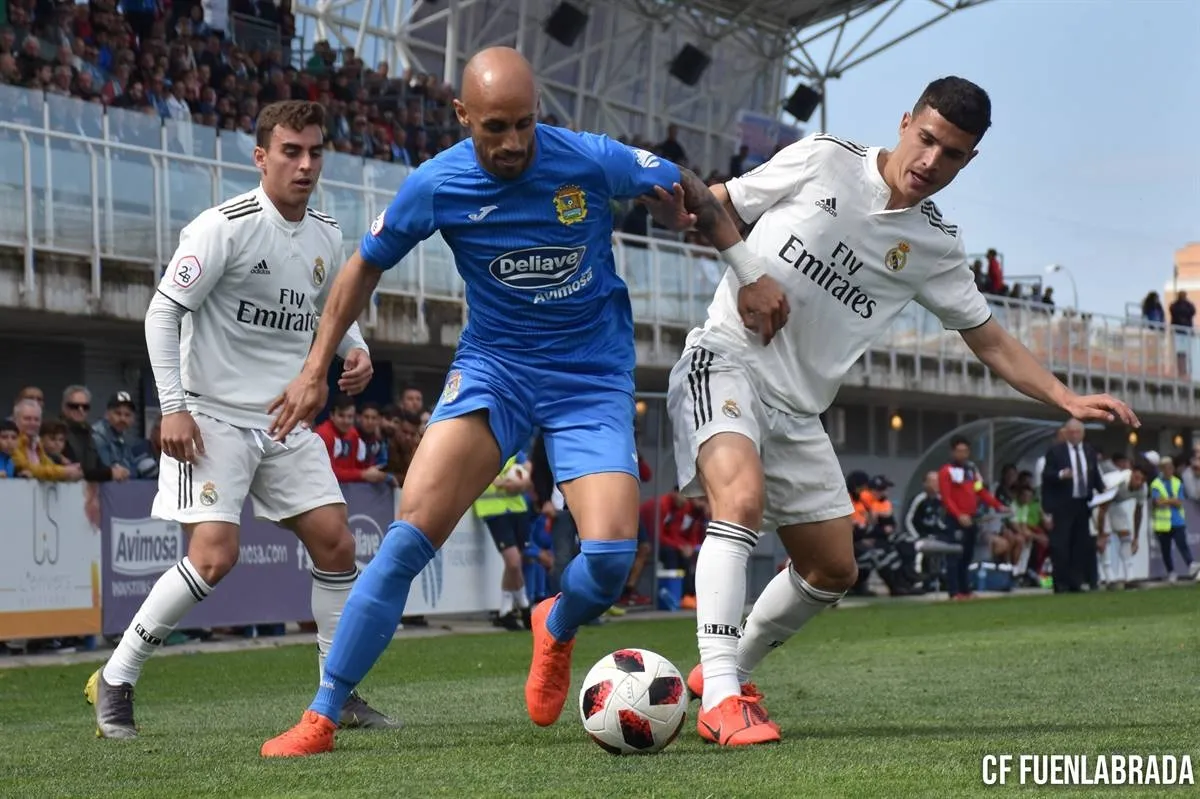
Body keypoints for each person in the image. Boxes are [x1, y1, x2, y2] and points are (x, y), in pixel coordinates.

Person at [259, 46, 788, 757]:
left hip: (590, 376)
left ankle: (557, 623)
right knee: (407, 537)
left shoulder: (588, 159)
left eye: (525, 125)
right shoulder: (436, 183)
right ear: (462, 117)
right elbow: (361, 268)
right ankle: (321, 715)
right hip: (495, 371)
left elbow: (689, 181)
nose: (512, 143)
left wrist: (747, 271)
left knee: (606, 558)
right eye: (495, 128)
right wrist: (315, 367)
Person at [656, 76, 1139, 745]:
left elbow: (989, 336)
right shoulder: (824, 158)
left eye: (951, 154)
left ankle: (726, 671)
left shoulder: (935, 247)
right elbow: (721, 203)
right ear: (906, 121)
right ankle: (721, 700)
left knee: (832, 569)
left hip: (799, 409)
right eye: (927, 139)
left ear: (968, 162)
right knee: (737, 501)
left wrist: (1063, 396)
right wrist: (696, 230)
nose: (931, 161)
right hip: (726, 357)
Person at [84, 100, 396, 739]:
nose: (305, 165)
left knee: (337, 544)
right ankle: (115, 677)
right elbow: (161, 314)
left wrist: (353, 345)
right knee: (216, 556)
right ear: (261, 157)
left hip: (283, 418)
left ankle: (337, 692)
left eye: (314, 152)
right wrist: (171, 408)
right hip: (211, 417)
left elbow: (330, 299)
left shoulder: (326, 230)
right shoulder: (221, 227)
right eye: (291, 151)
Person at [1040, 418, 1107, 592]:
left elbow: (1094, 474)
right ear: (1066, 433)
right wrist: (1061, 474)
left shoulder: (1089, 450)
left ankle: (1075, 581)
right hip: (1063, 504)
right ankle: (1060, 583)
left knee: (1080, 545)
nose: (1075, 435)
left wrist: (1103, 488)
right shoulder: (1056, 452)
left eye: (1078, 432)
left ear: (1083, 434)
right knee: (1061, 545)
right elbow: (1047, 475)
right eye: (1072, 432)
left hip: (1083, 503)